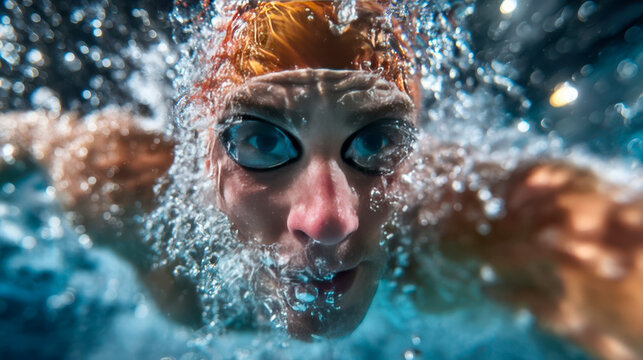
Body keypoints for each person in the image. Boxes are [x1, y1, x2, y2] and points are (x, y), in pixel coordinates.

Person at [1, 1, 642, 359]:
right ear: (202, 153)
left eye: (379, 140)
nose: (329, 218)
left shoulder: (473, 221)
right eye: (259, 140)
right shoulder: (118, 191)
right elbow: (33, 136)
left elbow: (593, 240)